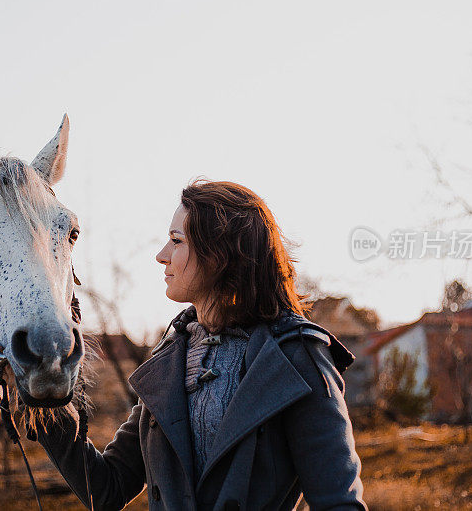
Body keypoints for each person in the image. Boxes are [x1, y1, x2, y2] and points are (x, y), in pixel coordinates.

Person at [29, 180, 367, 511]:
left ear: (220, 255)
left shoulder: (295, 355)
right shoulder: (172, 354)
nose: (162, 256)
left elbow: (338, 501)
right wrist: (42, 394)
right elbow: (108, 488)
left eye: (176, 241)